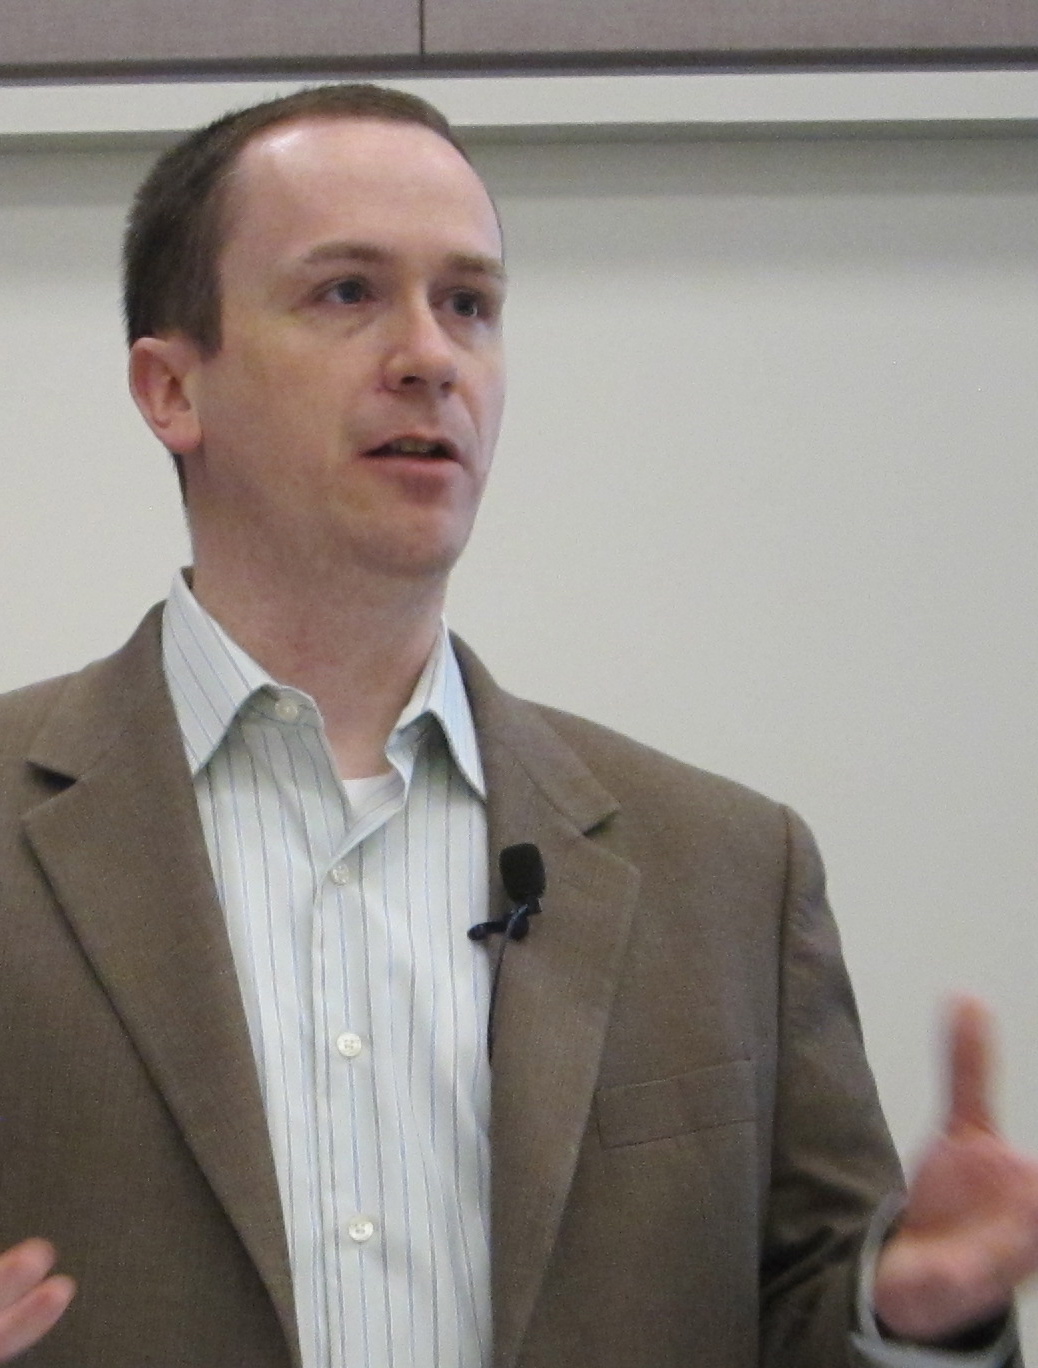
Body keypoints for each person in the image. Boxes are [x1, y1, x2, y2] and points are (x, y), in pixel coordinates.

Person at [0, 82, 1035, 1368]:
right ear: (171, 389)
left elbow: (803, 1322)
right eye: (347, 293)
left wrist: (910, 1321)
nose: (430, 353)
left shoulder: (725, 873)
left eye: (470, 304)